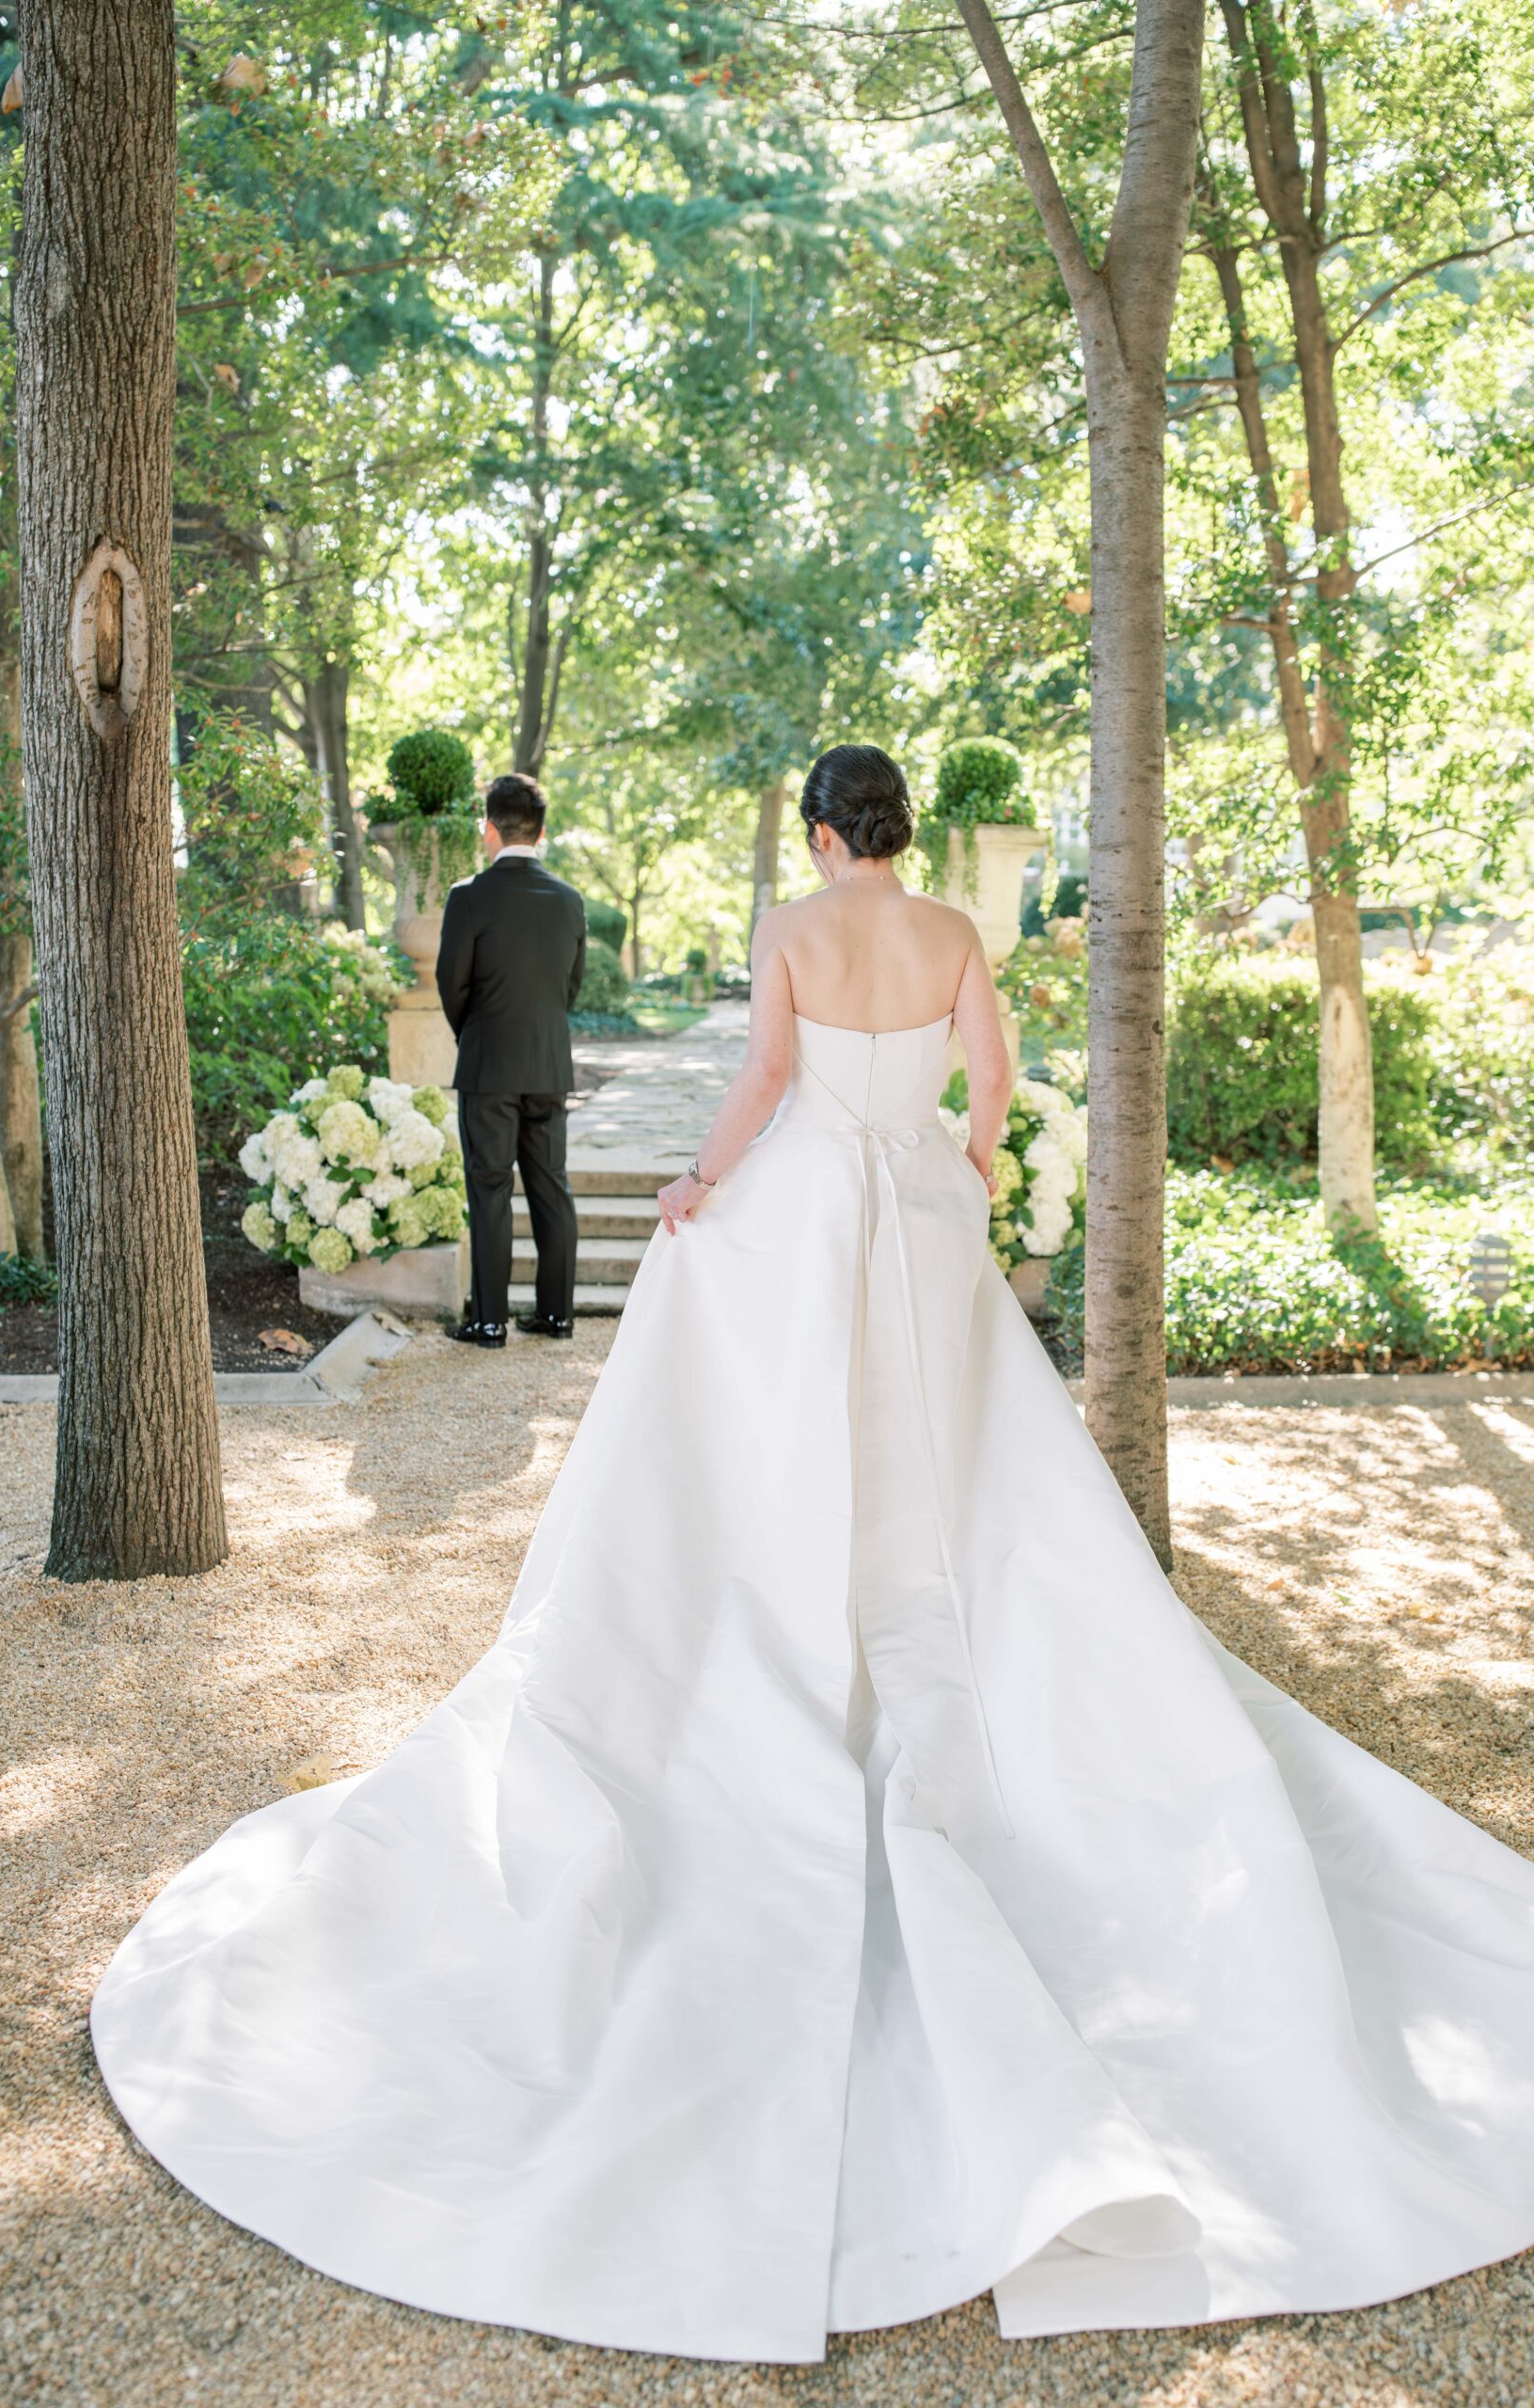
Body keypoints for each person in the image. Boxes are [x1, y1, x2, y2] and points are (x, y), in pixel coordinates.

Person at [92, 744, 1534, 2364]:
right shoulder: (952, 935)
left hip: (804, 1212)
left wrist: (703, 1181)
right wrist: (962, 1168)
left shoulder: (791, 928)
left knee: (773, 1417)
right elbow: (992, 1078)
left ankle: (772, 1619)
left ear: (821, 831)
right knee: (952, 1445)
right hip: (916, 1208)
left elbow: (766, 1081)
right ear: (897, 831)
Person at [435, 771, 587, 1347]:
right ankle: (556, 1315)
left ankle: (490, 1320)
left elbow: (452, 986)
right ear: (541, 832)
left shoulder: (468, 897)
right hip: (548, 1065)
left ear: (488, 829)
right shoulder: (569, 901)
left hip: (488, 1065)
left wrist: (475, 1033)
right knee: (552, 1187)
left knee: (489, 1189)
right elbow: (570, 987)